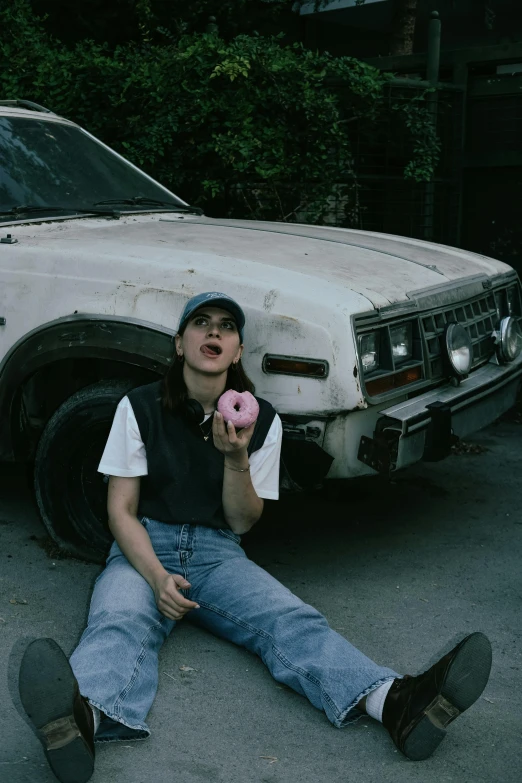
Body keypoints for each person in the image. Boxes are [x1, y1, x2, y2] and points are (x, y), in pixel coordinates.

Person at [18, 292, 492, 783]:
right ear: (180, 344)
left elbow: (242, 522)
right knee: (118, 619)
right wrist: (157, 577)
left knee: (289, 620)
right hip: (144, 547)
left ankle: (393, 702)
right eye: (201, 323)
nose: (214, 332)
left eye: (226, 326)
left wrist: (235, 457)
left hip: (217, 553)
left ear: (238, 350)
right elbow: (120, 510)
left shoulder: (261, 420)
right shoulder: (137, 408)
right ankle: (82, 721)